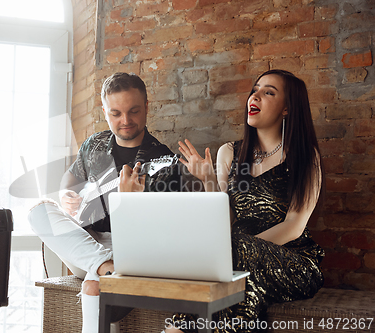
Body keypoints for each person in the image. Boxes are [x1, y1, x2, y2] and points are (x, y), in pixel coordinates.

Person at [165, 69, 325, 333]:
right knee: (243, 288)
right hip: (237, 260)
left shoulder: (306, 156)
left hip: (292, 262)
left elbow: (295, 225)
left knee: (231, 262)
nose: (255, 95)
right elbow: (225, 222)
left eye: (268, 92)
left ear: (287, 108)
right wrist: (208, 180)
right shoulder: (229, 153)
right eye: (255, 89)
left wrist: (235, 251)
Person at [29, 72, 183, 333]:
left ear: (146, 106)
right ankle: (106, 267)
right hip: (87, 244)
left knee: (93, 286)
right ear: (104, 110)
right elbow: (70, 177)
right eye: (116, 113)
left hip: (132, 250)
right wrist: (67, 194)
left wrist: (128, 203)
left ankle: (104, 269)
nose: (125, 121)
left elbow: (162, 235)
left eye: (133, 111)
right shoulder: (94, 144)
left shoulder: (164, 161)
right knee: (38, 211)